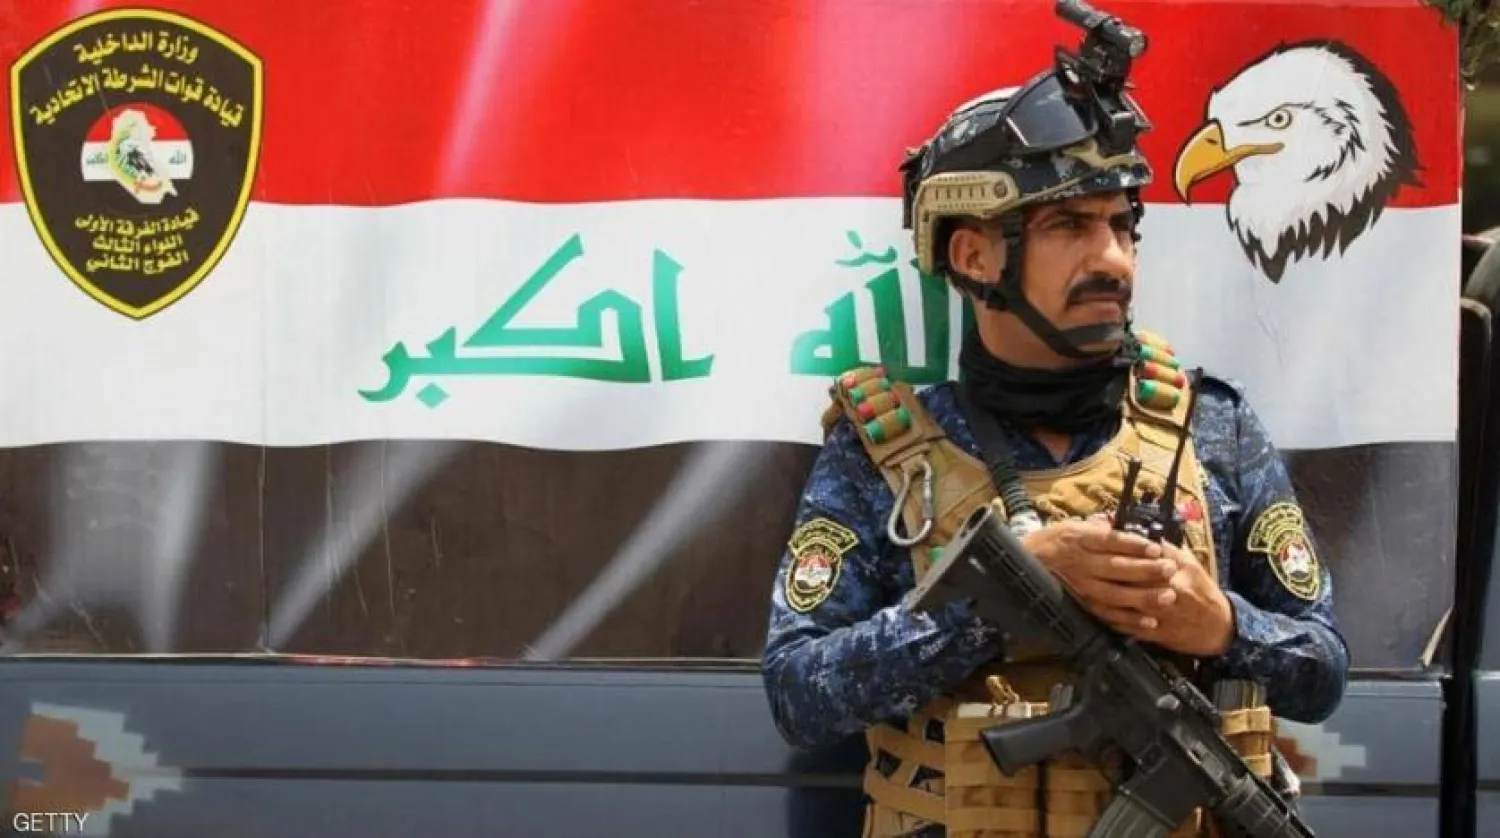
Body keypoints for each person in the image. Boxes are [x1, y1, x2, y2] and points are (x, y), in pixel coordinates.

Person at [759, 37, 1350, 838]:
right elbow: (798, 693)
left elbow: (1322, 669)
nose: (1112, 259)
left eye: (1122, 225)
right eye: (1068, 224)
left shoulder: (1211, 428)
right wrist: (1000, 600)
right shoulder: (882, 452)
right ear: (974, 255)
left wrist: (1220, 626)